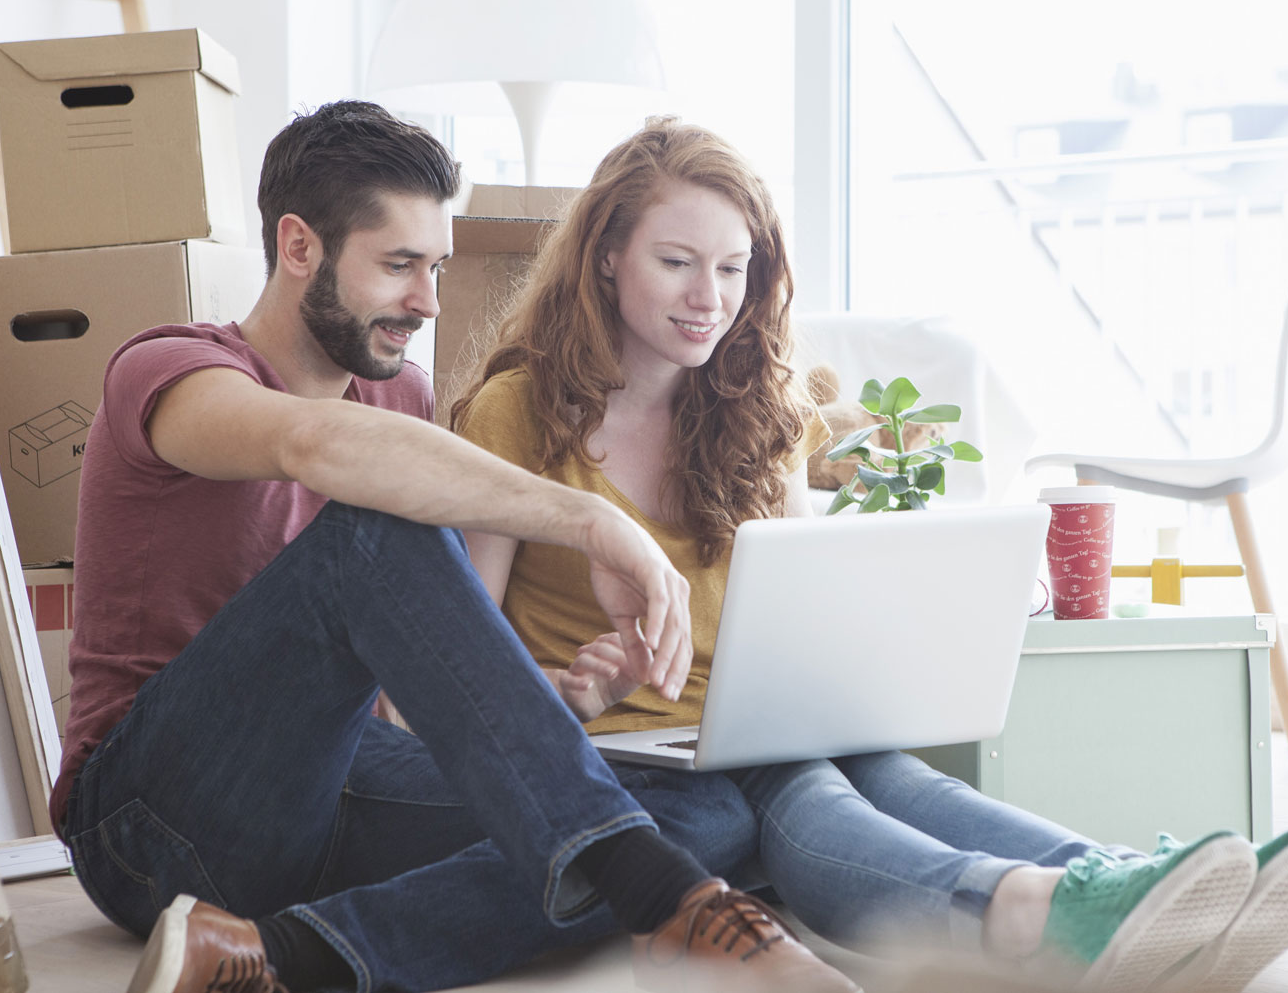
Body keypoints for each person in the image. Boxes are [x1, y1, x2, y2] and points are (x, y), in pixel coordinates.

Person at [450, 116, 1288, 993]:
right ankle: (1036, 910)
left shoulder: (757, 410)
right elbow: (458, 660)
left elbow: (800, 603)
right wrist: (570, 693)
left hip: (753, 724)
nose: (709, 298)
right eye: (676, 263)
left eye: (733, 269)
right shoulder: (517, 413)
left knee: (885, 774)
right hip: (618, 745)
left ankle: (1120, 883)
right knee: (806, 791)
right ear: (606, 255)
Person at [53, 100, 862, 993]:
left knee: (697, 814)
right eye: (400, 265)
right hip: (145, 823)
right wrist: (593, 519)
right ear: (299, 248)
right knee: (368, 529)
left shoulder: (397, 397)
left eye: (435, 266)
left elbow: (399, 692)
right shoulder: (170, 371)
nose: (429, 301)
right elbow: (314, 446)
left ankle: (280, 958)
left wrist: (547, 715)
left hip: (329, 796)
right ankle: (672, 902)